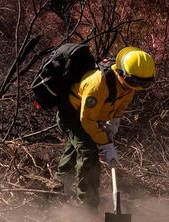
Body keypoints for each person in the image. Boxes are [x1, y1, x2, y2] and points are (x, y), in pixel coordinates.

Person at [54, 46, 155, 210]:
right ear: (122, 73)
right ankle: (88, 205)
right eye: (134, 82)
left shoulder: (131, 84)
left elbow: (121, 105)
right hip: (71, 115)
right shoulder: (98, 84)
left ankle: (61, 183)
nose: (136, 87)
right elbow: (86, 120)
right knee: (88, 151)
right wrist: (105, 143)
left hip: (87, 116)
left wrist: (113, 123)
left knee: (78, 144)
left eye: (144, 83)